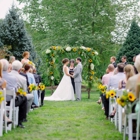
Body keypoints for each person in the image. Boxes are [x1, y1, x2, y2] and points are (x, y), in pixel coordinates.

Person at [1, 59, 27, 128]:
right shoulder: (13, 78)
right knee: (24, 98)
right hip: (9, 102)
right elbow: (15, 92)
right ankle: (20, 120)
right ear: (8, 67)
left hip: (2, 101)